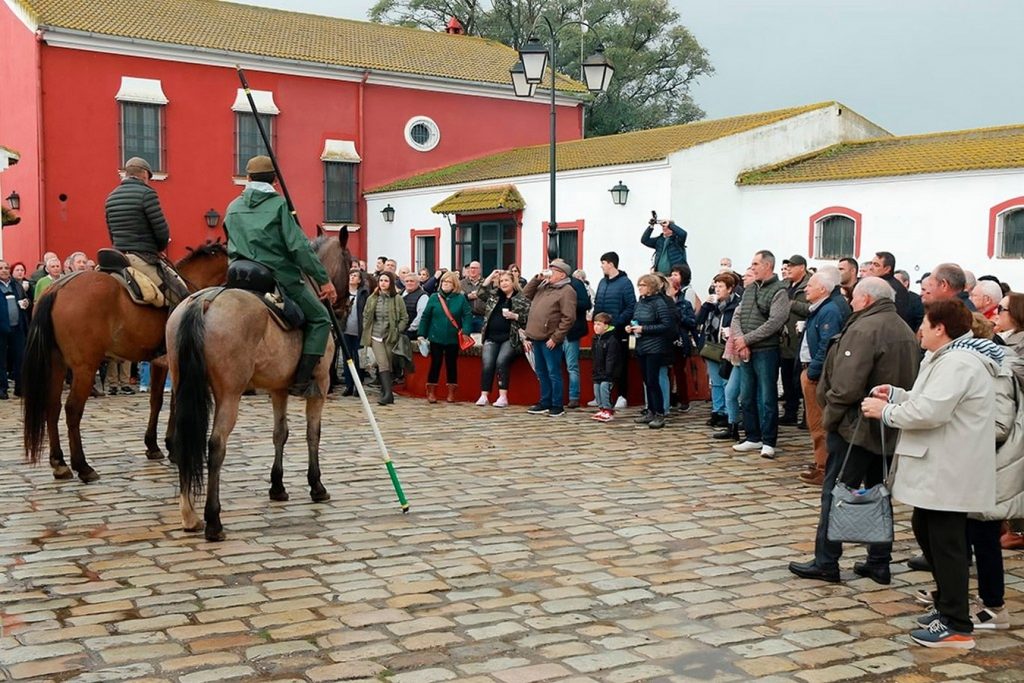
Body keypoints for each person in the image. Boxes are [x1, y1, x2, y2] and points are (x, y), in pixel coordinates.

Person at [861, 299, 1000, 649]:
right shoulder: (945, 358)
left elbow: (931, 411)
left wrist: (887, 411)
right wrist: (896, 394)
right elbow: (927, 398)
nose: (919, 329)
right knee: (927, 529)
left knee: (948, 543)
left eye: (924, 323)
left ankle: (956, 625)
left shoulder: (959, 362)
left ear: (940, 328)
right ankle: (947, 607)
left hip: (950, 466)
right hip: (940, 464)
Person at [788, 277, 920, 586]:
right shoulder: (902, 327)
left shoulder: (864, 329)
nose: (849, 303)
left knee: (837, 492)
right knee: (877, 490)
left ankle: (826, 561)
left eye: (854, 298)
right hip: (885, 424)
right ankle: (878, 561)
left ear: (866, 300)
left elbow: (845, 387)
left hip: (856, 425)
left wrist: (830, 418)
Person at [224, 155, 338, 397]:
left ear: (247, 178)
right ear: (274, 181)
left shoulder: (232, 207)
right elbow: (299, 247)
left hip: (237, 276)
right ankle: (302, 380)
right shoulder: (279, 206)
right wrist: (323, 279)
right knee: (320, 318)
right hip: (276, 276)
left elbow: (229, 239)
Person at [104, 156, 189, 306]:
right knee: (182, 296)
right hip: (141, 257)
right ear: (144, 174)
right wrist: (159, 248)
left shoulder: (111, 197)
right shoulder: (147, 194)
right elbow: (161, 232)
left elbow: (111, 233)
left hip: (117, 256)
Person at [730, 250, 789, 459]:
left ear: (767, 265)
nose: (752, 267)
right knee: (746, 395)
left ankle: (768, 440)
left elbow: (775, 322)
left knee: (767, 397)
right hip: (746, 349)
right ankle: (752, 436)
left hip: (766, 350)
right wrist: (740, 340)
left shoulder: (779, 291)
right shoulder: (749, 289)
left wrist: (748, 339)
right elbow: (737, 316)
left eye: (756, 263)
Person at [795, 267, 848, 486]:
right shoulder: (823, 307)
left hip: (817, 373)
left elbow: (827, 344)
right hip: (813, 370)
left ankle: (824, 468)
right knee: (816, 421)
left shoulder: (829, 311)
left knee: (818, 422)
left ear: (823, 289)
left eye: (811, 285)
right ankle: (822, 462)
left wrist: (814, 372)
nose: (806, 288)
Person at [522, 259, 576, 417]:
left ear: (561, 274)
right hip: (536, 336)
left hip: (550, 339)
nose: (548, 272)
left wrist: (556, 338)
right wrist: (536, 278)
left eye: (552, 271)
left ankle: (557, 404)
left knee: (553, 372)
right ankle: (544, 401)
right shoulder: (544, 285)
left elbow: (569, 318)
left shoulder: (567, 291)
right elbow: (525, 294)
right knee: (541, 372)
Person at [475, 270, 530, 407]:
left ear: (513, 283)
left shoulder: (521, 298)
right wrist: (490, 276)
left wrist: (515, 316)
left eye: (506, 281)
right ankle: (484, 395)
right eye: (501, 281)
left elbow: (528, 317)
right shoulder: (494, 296)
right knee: (487, 363)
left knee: (501, 361)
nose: (504, 283)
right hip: (491, 336)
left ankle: (503, 397)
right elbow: (480, 293)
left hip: (510, 337)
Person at [628, 274, 674, 429]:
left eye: (643, 285)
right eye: (639, 285)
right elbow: (636, 318)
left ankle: (659, 413)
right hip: (642, 346)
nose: (640, 287)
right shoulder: (640, 302)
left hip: (655, 347)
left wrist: (645, 329)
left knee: (653, 381)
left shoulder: (659, 303)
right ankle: (651, 411)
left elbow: (666, 325)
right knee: (647, 381)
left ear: (651, 287)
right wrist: (632, 327)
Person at [417, 271, 471, 403]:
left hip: (453, 337)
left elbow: (468, 315)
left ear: (454, 284)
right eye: (444, 282)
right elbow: (426, 317)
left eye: (449, 282)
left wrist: (466, 332)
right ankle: (431, 391)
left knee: (451, 364)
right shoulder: (434, 297)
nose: (446, 284)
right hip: (436, 336)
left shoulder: (460, 298)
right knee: (435, 363)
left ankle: (452, 392)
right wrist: (421, 334)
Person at [700, 272, 741, 439]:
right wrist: (705, 306)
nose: (717, 289)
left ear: (730, 288)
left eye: (720, 286)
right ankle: (717, 411)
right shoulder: (713, 304)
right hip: (711, 346)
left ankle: (727, 413)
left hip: (726, 348)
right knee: (715, 382)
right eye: (715, 286)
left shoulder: (735, 304)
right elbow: (698, 320)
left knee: (726, 381)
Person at [592, 252, 636, 409]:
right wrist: (597, 322)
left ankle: (622, 396)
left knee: (619, 364)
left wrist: (616, 322)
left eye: (603, 262)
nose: (601, 266)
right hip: (602, 331)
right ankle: (602, 397)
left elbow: (631, 306)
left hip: (618, 331)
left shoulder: (625, 283)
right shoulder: (602, 283)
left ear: (611, 264)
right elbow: (597, 303)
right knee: (601, 362)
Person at [361, 271, 408, 405]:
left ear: (391, 283)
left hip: (390, 336)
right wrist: (366, 328)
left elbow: (404, 318)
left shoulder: (397, 299)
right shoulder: (372, 298)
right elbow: (366, 315)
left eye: (386, 281)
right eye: (381, 280)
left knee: (388, 363)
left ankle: (385, 390)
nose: (383, 283)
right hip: (375, 335)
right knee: (382, 362)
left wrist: (398, 330)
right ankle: (388, 394)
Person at [779, 255, 811, 425]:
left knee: (802, 381)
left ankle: (808, 415)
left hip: (801, 340)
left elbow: (813, 308)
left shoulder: (810, 285)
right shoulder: (784, 285)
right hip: (785, 340)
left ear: (802, 268)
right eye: (787, 266)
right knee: (787, 379)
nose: (788, 269)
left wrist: (793, 304)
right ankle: (790, 412)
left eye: (792, 266)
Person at [0, 260, 30, 399]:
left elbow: (25, 300)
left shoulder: (16, 285)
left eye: (6, 268)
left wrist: (25, 303)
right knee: (1, 360)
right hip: (1, 328)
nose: (4, 270)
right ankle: (2, 388)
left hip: (17, 327)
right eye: (1, 268)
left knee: (20, 358)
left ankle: (20, 387)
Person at [564, 267, 592, 409]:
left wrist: (569, 303)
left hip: (572, 331)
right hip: (555, 330)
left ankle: (574, 397)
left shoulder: (576, 284)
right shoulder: (550, 284)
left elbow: (586, 304)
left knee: (572, 366)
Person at [339, 270, 369, 396]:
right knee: (347, 358)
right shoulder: (343, 293)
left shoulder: (363, 293)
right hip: (345, 330)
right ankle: (349, 385)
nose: (352, 277)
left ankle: (358, 385)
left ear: (359, 280)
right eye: (350, 275)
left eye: (355, 276)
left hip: (359, 330)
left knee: (358, 359)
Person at [590, 312, 622, 422]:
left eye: (599, 324)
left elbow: (611, 359)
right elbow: (594, 356)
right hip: (598, 371)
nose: (596, 327)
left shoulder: (611, 340)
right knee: (596, 389)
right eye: (595, 324)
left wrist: (609, 373)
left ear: (606, 326)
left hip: (609, 372)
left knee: (604, 388)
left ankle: (608, 409)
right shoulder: (595, 339)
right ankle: (601, 408)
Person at [865, 251, 910, 323]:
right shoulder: (882, 284)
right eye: (871, 264)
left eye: (876, 265)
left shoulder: (888, 288)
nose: (871, 268)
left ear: (887, 269)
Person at [460, 261, 486, 332]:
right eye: (471, 268)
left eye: (475, 268)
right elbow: (459, 297)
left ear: (480, 270)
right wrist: (467, 296)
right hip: (466, 318)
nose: (472, 270)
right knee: (466, 339)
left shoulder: (486, 283)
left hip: (482, 317)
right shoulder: (461, 283)